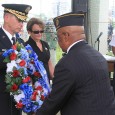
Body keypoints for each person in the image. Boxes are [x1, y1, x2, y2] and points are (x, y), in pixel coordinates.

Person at [36, 12, 115, 115]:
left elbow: (54, 101)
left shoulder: (66, 64)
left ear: (65, 36)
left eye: (58, 38)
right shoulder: (97, 55)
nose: (58, 42)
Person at [0, 4, 32, 115]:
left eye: (23, 21)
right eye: (19, 20)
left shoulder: (21, 42)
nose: (21, 25)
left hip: (16, 101)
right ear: (6, 18)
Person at [25, 18, 54, 82]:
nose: (39, 34)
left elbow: (49, 63)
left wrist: (54, 78)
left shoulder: (45, 44)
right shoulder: (26, 47)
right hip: (35, 85)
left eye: (41, 31)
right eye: (36, 32)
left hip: (47, 83)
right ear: (29, 32)